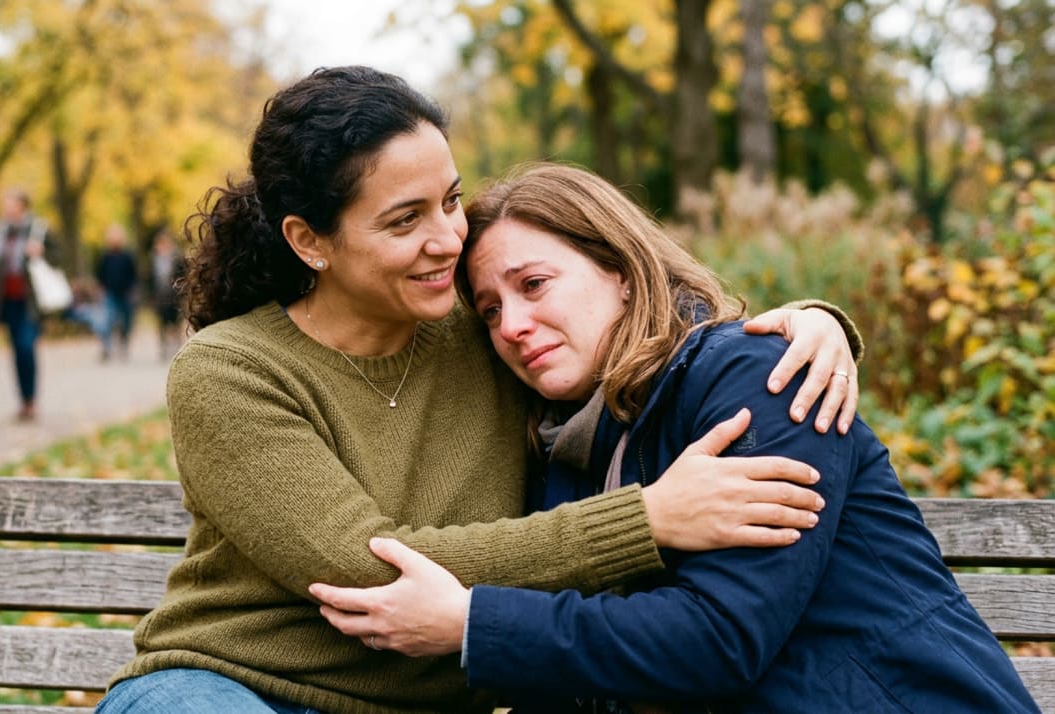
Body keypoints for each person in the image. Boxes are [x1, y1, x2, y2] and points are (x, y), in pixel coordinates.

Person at [97, 66, 859, 714]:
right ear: (309, 241)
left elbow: (630, 316)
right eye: (404, 221)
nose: (447, 239)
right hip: (234, 688)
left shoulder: (490, 326)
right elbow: (369, 571)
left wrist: (809, 325)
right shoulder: (231, 370)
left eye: (451, 201)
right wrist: (647, 518)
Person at [309, 163, 1038, 712]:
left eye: (534, 286)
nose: (512, 327)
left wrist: (472, 623)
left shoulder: (763, 379)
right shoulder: (568, 443)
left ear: (623, 272)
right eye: (492, 311)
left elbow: (719, 638)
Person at [0, 187, 61, 422]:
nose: (6, 210)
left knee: (25, 346)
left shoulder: (38, 230)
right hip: (8, 301)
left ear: (23, 207)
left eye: (10, 205)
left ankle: (31, 399)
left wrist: (40, 252)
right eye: (4, 205)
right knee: (16, 350)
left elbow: (59, 258)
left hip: (30, 302)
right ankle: (24, 400)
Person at [95, 223, 138, 361]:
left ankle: (123, 342)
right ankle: (106, 347)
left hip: (125, 294)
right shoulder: (105, 256)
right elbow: (100, 274)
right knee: (107, 321)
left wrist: (132, 290)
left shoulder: (127, 255)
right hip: (110, 294)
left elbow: (133, 275)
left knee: (126, 321)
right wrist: (101, 289)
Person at [148, 229, 186, 361]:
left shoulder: (177, 258)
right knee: (162, 323)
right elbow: (150, 279)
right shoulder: (153, 259)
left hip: (174, 295)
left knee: (175, 322)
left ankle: (176, 346)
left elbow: (183, 275)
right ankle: (163, 348)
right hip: (160, 296)